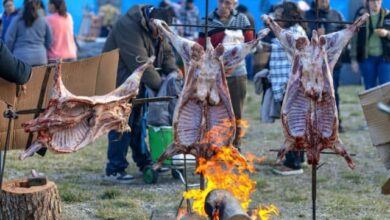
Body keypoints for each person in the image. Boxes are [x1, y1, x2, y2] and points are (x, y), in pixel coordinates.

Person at [102, 5, 178, 182]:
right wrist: (163, 87)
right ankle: (114, 169)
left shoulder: (158, 26)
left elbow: (167, 52)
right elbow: (140, 64)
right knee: (120, 124)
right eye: (158, 30)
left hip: (137, 84)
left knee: (137, 124)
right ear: (151, 21)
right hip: (120, 82)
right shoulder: (128, 26)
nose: (160, 34)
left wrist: (173, 72)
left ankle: (144, 162)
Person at [197, 0, 254, 151]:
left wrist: (235, 62)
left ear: (234, 4)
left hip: (237, 74)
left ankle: (235, 146)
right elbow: (201, 50)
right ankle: (216, 146)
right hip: (214, 75)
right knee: (215, 111)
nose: (224, 6)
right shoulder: (207, 21)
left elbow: (251, 46)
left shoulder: (242, 19)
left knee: (236, 112)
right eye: (222, 2)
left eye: (228, 3)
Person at [267, 2, 307, 176]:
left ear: (288, 16)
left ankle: (293, 163)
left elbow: (286, 44)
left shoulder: (294, 33)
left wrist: (270, 23)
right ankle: (299, 157)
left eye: (279, 15)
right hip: (287, 84)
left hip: (292, 85)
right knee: (294, 122)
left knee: (293, 124)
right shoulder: (289, 32)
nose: (276, 18)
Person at [305, 0, 346, 132]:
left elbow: (343, 38)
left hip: (333, 64)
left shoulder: (337, 15)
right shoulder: (306, 16)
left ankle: (335, 123)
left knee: (333, 93)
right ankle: (314, 124)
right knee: (313, 94)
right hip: (311, 65)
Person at [351, 0, 390, 90]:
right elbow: (354, 38)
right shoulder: (361, 16)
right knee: (369, 88)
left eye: (378, 1)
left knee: (386, 88)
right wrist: (353, 59)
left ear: (381, 1)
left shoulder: (388, 15)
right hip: (367, 58)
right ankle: (373, 105)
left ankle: (384, 105)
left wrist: (387, 33)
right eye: (372, 1)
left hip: (386, 58)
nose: (375, 4)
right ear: (368, 2)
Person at [5, 0, 52, 66]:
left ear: (23, 6)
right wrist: (41, 49)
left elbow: (9, 40)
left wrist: (10, 54)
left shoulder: (17, 20)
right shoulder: (43, 20)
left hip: (21, 59)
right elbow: (49, 40)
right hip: (40, 58)